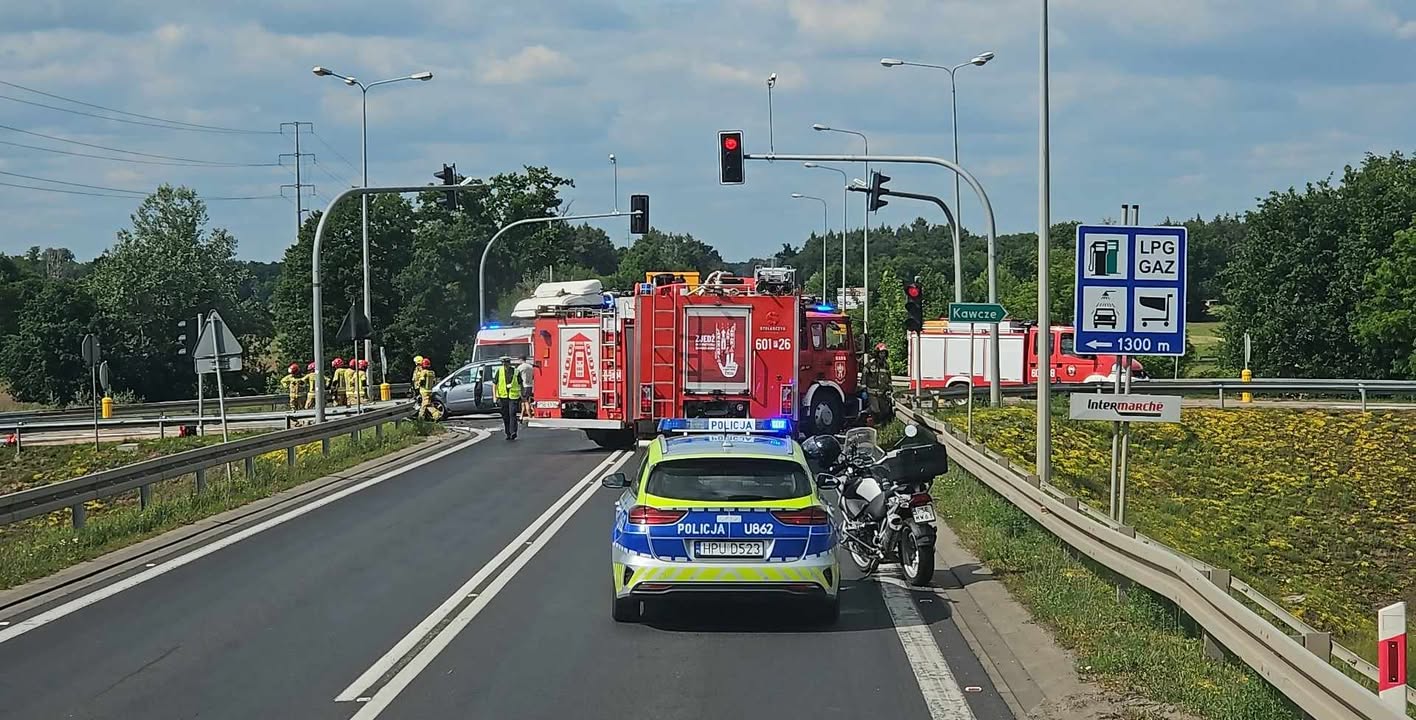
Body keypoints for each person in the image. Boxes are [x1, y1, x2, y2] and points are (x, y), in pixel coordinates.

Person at [493, 355, 522, 440]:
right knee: (505, 415)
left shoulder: (515, 371)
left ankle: (513, 432)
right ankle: (508, 433)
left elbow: (520, 383)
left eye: (507, 363)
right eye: (504, 363)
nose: (505, 364)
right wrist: (495, 396)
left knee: (512, 413)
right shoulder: (499, 371)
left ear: (509, 363)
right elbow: (494, 384)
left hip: (513, 396)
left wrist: (522, 395)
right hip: (503, 396)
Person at [414, 357, 444, 421]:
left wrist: (418, 384)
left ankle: (435, 415)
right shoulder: (432, 372)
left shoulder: (424, 372)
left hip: (424, 391)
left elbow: (421, 381)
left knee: (425, 405)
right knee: (427, 404)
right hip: (430, 390)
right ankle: (425, 417)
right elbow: (434, 382)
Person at [515, 354, 535, 422]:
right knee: (524, 402)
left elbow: (516, 376)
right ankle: (521, 416)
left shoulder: (520, 367)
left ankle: (530, 416)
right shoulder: (530, 366)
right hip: (530, 385)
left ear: (521, 359)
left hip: (523, 386)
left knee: (526, 402)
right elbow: (533, 376)